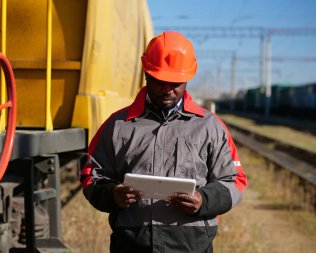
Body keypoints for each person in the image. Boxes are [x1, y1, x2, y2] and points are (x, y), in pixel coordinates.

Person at [80, 31, 247, 253]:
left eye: (175, 82)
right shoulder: (118, 124)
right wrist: (111, 194)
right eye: (159, 81)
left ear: (188, 78)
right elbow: (91, 175)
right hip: (132, 244)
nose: (167, 89)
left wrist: (204, 200)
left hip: (191, 245)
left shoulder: (210, 126)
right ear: (147, 74)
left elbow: (235, 180)